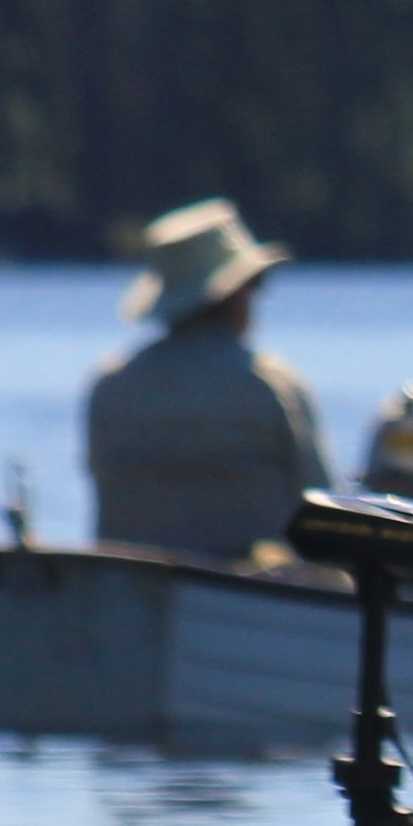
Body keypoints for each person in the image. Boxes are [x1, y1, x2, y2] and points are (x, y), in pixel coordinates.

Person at [84, 199, 332, 562]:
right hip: (255, 592)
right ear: (234, 294)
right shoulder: (272, 385)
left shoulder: (110, 385)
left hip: (128, 586)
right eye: (255, 284)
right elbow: (321, 514)